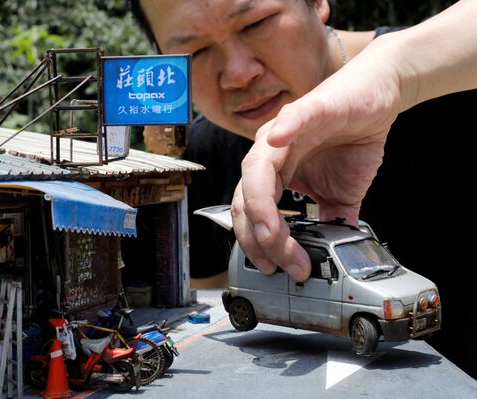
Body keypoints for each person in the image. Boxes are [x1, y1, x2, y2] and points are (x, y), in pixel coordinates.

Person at [129, 0, 477, 378]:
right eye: (194, 50)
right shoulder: (203, 155)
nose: (237, 74)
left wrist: (398, 70)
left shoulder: (452, 79)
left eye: (256, 22)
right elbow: (223, 320)